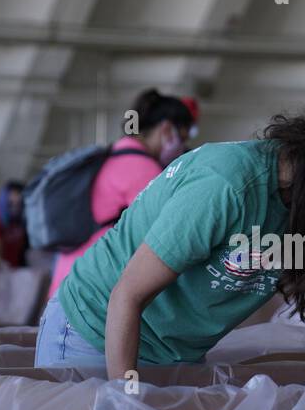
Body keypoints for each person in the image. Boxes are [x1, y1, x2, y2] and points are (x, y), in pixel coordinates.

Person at [36, 80, 305, 382]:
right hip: (94, 334)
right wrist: (124, 403)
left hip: (175, 353)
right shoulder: (228, 187)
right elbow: (126, 295)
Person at [46, 89, 196, 297]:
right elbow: (166, 233)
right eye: (182, 137)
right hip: (91, 286)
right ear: (167, 129)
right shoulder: (142, 168)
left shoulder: (115, 154)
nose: (182, 147)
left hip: (68, 275)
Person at [0, 181, 27, 267]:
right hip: (1, 269)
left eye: (19, 203)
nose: (17, 200)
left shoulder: (21, 219)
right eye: (11, 202)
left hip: (16, 266)